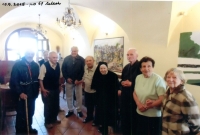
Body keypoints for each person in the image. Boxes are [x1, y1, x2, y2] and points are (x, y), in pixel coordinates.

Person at [133, 56, 166, 135]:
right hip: (140, 112)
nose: (146, 69)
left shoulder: (158, 79)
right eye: (144, 66)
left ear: (153, 67)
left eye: (149, 66)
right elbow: (134, 92)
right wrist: (139, 104)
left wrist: (147, 106)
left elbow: (163, 98)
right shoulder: (138, 77)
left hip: (153, 115)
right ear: (140, 69)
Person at [162, 68, 200, 135]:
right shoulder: (168, 92)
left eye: (174, 77)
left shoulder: (186, 98)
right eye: (168, 77)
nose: (170, 80)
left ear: (182, 81)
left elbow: (195, 123)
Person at [9, 49, 39, 134]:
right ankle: (20, 131)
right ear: (25, 54)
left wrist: (37, 90)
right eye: (28, 53)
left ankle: (28, 128)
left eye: (31, 53)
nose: (30, 55)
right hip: (22, 94)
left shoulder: (35, 65)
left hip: (32, 93)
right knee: (21, 113)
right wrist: (20, 93)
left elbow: (36, 79)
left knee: (31, 112)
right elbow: (14, 81)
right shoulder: (18, 65)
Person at [91, 62, 120, 135]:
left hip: (111, 98)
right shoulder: (97, 75)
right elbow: (95, 86)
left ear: (107, 68)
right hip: (101, 98)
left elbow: (117, 86)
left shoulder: (113, 75)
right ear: (99, 69)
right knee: (101, 112)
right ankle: (102, 126)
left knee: (110, 112)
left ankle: (110, 126)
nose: (103, 70)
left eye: (104, 68)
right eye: (101, 68)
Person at [120, 48, 141, 135]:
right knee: (125, 115)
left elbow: (143, 81)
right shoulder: (126, 67)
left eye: (131, 54)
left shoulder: (140, 66)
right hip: (125, 95)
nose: (129, 56)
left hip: (135, 96)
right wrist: (122, 83)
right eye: (128, 55)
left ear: (137, 55)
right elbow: (122, 79)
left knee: (133, 117)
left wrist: (131, 84)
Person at [38, 51, 62, 129]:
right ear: (49, 58)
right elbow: (40, 79)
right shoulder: (44, 66)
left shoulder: (58, 65)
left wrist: (59, 86)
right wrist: (43, 89)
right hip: (47, 89)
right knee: (48, 106)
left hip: (55, 89)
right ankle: (47, 122)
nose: (55, 59)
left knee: (55, 104)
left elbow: (58, 77)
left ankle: (54, 119)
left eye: (56, 57)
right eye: (54, 57)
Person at [62, 46, 85, 117]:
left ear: (77, 51)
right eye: (72, 51)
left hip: (78, 81)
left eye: (75, 51)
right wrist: (67, 78)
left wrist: (78, 79)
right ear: (70, 51)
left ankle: (79, 110)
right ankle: (70, 110)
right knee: (69, 96)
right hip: (69, 81)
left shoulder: (81, 59)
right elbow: (63, 69)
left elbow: (82, 70)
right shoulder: (66, 58)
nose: (74, 52)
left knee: (79, 96)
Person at [82, 56, 96, 124]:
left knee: (96, 107)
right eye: (87, 61)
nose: (88, 62)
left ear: (93, 61)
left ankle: (96, 120)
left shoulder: (97, 69)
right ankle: (89, 117)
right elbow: (84, 77)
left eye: (90, 60)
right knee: (88, 105)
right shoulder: (85, 67)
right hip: (87, 90)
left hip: (95, 92)